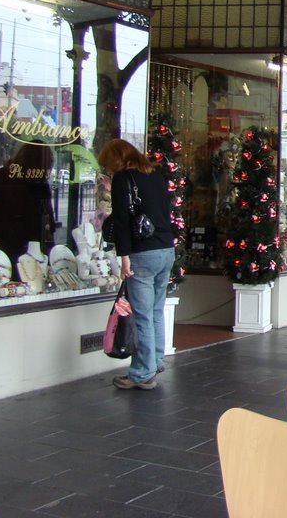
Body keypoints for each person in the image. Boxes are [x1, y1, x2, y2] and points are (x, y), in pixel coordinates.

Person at [99, 138, 175, 391]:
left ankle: (142, 373)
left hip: (142, 253)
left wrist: (124, 258)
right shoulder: (154, 174)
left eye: (109, 166)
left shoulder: (123, 178)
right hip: (165, 249)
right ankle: (155, 360)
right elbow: (164, 210)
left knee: (142, 315)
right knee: (155, 310)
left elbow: (122, 220)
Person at [0, 143, 55, 273]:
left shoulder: (3, 176)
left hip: (10, 245)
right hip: (20, 247)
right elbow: (46, 218)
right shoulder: (36, 181)